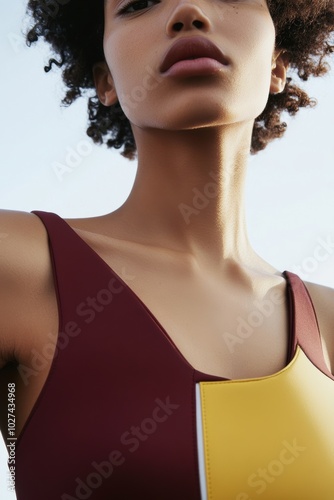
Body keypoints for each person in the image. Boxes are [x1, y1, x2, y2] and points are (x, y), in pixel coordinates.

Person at [0, 0, 334, 499]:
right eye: (139, 4)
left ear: (278, 66)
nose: (188, 10)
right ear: (106, 81)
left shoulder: (328, 324)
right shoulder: (18, 264)